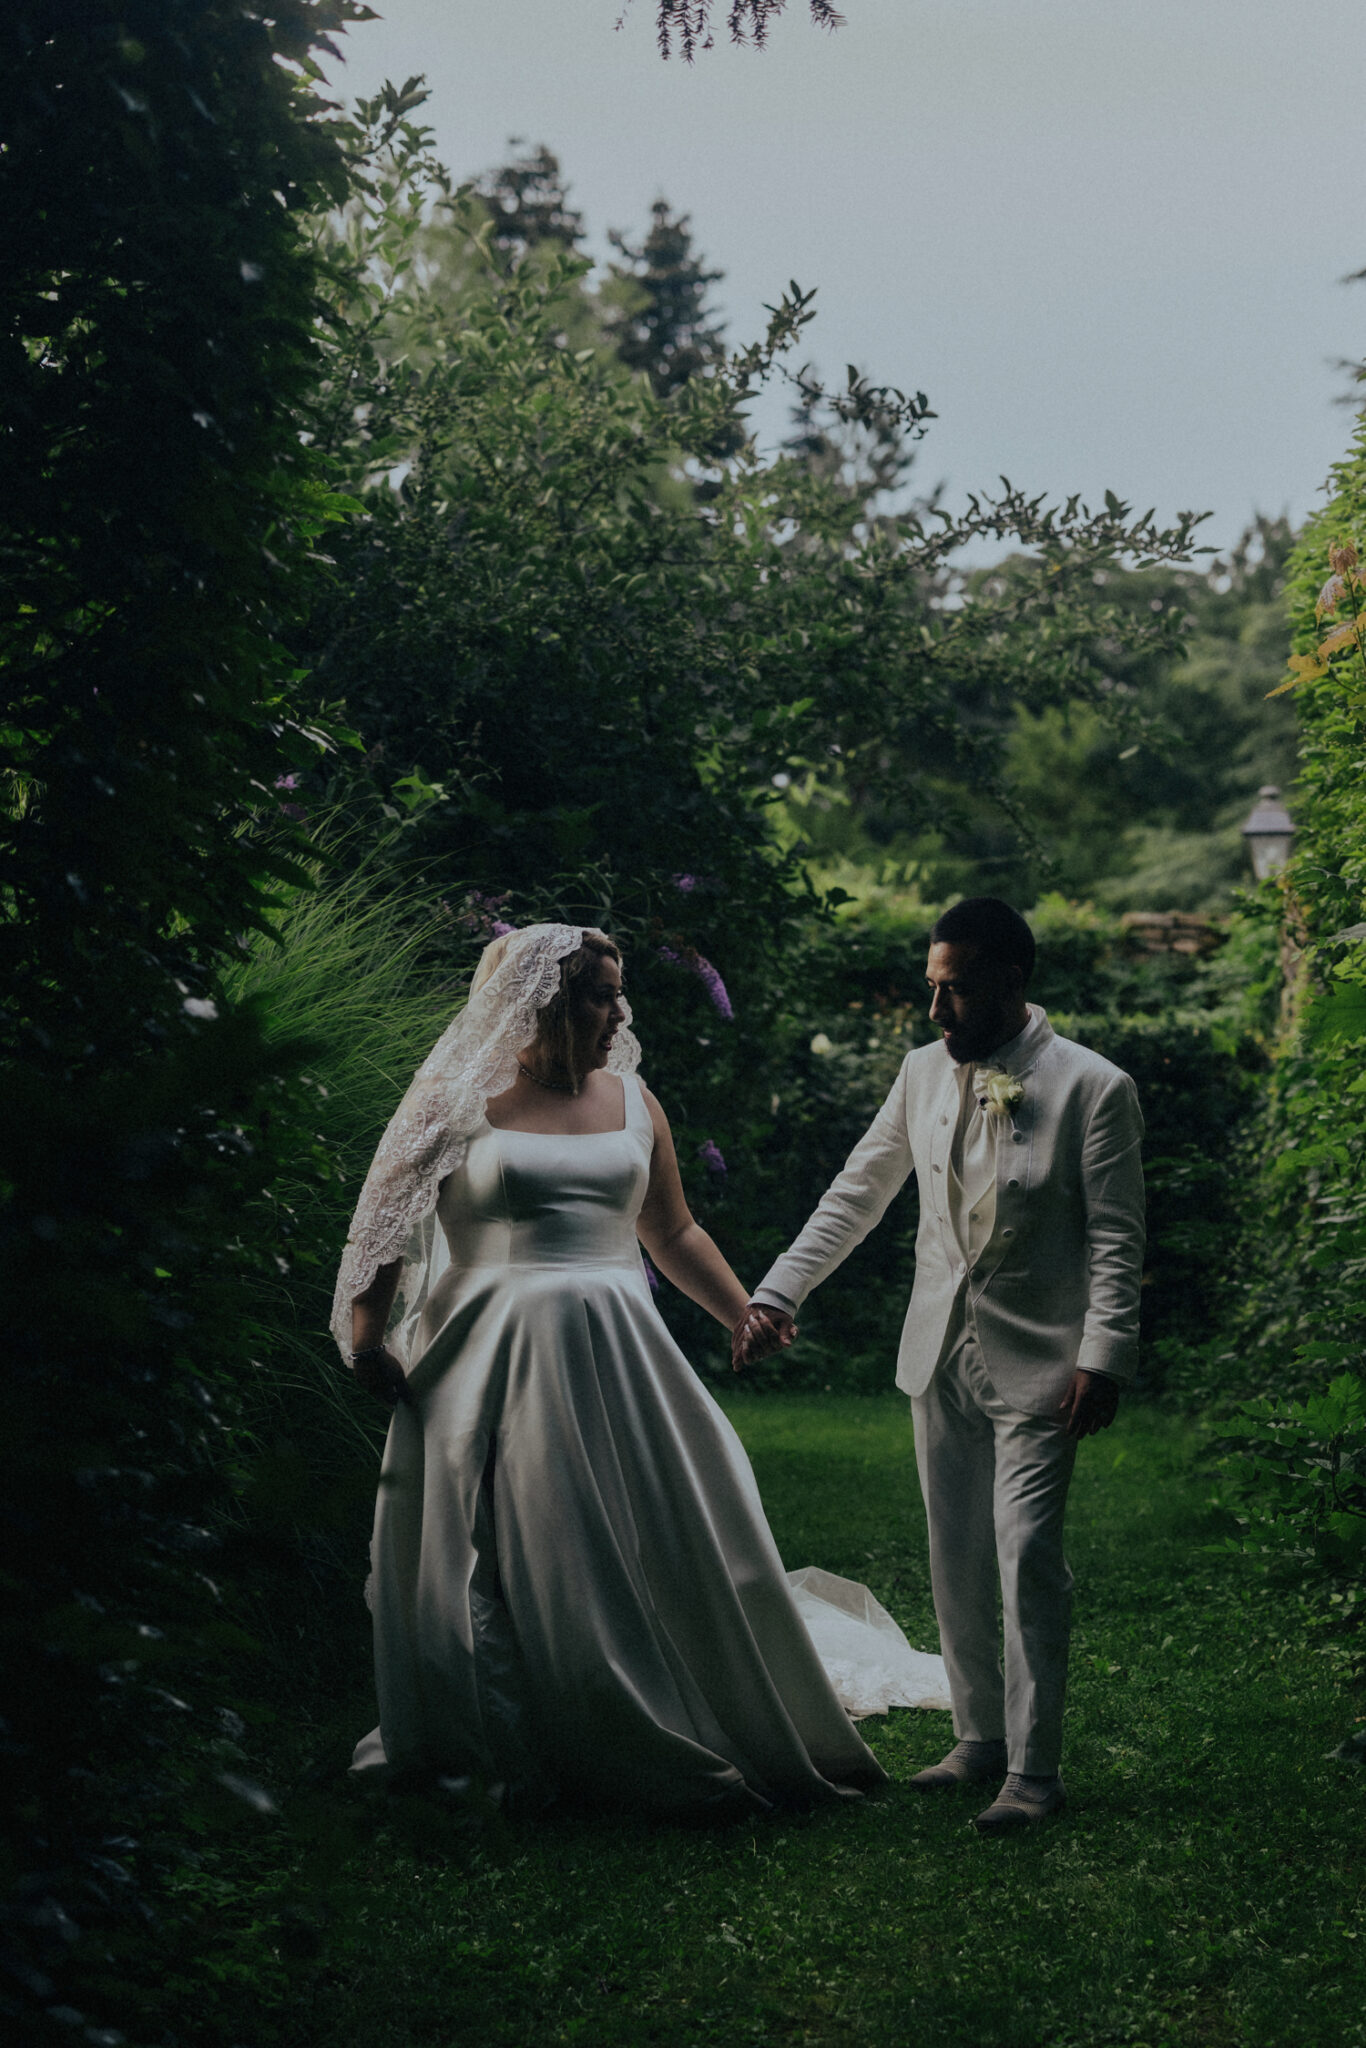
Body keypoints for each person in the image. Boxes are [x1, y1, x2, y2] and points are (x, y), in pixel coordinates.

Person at [333, 922, 946, 1817]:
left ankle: (678, 1692)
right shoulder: (450, 1102)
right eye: (600, 996)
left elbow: (672, 1230)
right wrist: (366, 1335)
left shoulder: (634, 1102)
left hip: (619, 1351)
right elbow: (382, 1227)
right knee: (512, 1542)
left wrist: (744, 1312)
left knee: (675, 1519)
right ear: (543, 1003)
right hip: (487, 1354)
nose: (620, 1013)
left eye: (619, 994)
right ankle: (525, 1721)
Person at [734, 897, 1145, 1833]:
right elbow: (858, 1191)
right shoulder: (921, 1073)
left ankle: (1034, 1772)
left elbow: (1118, 1240)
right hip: (938, 1349)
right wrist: (779, 1291)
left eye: (953, 990)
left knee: (1028, 1554)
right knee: (953, 1554)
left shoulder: (1096, 1087)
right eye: (931, 987)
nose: (935, 1010)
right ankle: (977, 1737)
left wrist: (1105, 1355)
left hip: (1045, 1361)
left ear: (1010, 980)